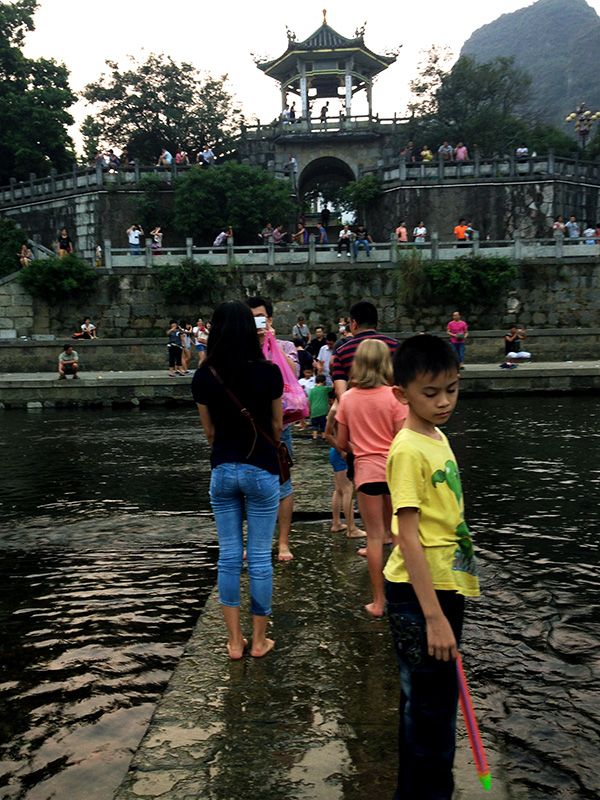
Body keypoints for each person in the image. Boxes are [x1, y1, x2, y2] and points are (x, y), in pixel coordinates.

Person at [385, 334, 480, 800]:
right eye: (431, 392)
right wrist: (434, 616)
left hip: (445, 584)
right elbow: (407, 535)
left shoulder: (436, 435)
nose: (444, 402)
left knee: (431, 704)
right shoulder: (407, 449)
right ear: (402, 394)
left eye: (453, 389)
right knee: (429, 712)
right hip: (421, 596)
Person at [191, 301, 283, 659]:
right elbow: (276, 427)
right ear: (250, 329)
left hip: (222, 470)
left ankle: (233, 642)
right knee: (259, 557)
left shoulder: (204, 376)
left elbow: (210, 434)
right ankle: (259, 641)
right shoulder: (269, 372)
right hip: (261, 467)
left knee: (229, 556)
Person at [335, 340, 408, 615]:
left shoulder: (349, 398)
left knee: (375, 538)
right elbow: (404, 439)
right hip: (396, 471)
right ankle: (403, 594)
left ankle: (379, 602)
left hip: (366, 473)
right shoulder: (394, 396)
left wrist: (361, 448)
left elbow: (342, 442)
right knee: (401, 533)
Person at [246, 296, 299, 562]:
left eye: (261, 318)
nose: (256, 323)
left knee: (283, 485)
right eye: (251, 318)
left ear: (270, 319)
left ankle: (283, 543)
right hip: (248, 428)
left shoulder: (285, 346)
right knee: (250, 485)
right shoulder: (240, 350)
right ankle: (255, 542)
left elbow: (292, 373)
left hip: (281, 426)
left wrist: (270, 343)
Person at [332, 300, 399, 398]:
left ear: (354, 323)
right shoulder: (395, 346)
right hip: (392, 408)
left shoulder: (342, 351)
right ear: (376, 323)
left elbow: (340, 391)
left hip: (356, 408)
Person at [324, 398, 364, 538]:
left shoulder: (337, 407)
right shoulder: (336, 409)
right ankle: (351, 528)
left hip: (338, 452)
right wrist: (342, 452)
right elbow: (327, 434)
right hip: (341, 452)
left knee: (339, 489)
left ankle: (336, 523)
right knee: (348, 490)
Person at [308, 374, 330, 440]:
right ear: (324, 381)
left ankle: (314, 438)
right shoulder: (325, 389)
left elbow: (309, 402)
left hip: (314, 411)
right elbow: (334, 387)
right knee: (323, 426)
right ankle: (323, 437)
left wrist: (310, 411)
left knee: (314, 426)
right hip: (323, 411)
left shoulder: (311, 390)